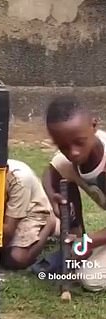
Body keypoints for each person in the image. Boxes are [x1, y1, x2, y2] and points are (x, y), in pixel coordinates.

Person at [42, 95, 106, 292]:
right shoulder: (69, 158)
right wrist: (53, 194)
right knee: (62, 166)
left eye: (79, 142)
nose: (73, 153)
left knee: (91, 279)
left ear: (94, 125)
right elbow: (50, 172)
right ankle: (77, 237)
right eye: (63, 146)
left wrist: (89, 243)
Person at [0, 159, 56, 270]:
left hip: (32, 209)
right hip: (5, 209)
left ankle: (50, 222)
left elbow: (8, 231)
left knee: (16, 258)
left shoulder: (19, 180)